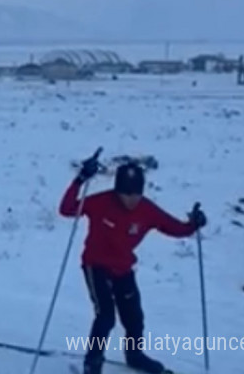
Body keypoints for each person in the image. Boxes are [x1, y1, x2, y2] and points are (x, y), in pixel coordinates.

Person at [59, 159, 206, 374]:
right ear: (117, 191)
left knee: (134, 318)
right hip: (96, 265)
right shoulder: (101, 202)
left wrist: (194, 224)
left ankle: (134, 355)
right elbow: (67, 209)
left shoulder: (147, 210)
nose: (131, 199)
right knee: (106, 316)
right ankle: (93, 362)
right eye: (126, 194)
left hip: (123, 267)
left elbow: (175, 227)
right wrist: (80, 180)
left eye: (135, 194)